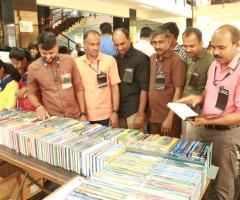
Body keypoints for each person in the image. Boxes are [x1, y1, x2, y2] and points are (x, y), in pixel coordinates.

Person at [178, 24, 240, 200]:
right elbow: (209, 93)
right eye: (213, 47)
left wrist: (205, 121)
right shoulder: (214, 66)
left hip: (225, 137)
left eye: (222, 47)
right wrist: (197, 99)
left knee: (223, 183)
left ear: (237, 45)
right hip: (204, 130)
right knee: (207, 175)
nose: (216, 52)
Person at [27, 31, 87, 121]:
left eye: (51, 53)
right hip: (53, 118)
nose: (47, 57)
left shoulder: (69, 60)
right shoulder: (33, 68)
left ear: (57, 48)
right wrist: (38, 106)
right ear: (39, 49)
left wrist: (83, 113)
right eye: (44, 53)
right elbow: (31, 93)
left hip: (75, 116)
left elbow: (78, 88)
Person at [75, 30, 120, 127]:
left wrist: (115, 112)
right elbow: (77, 90)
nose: (96, 47)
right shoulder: (77, 63)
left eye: (98, 44)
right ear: (84, 44)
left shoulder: (110, 60)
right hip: (86, 115)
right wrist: (82, 113)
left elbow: (115, 87)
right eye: (92, 44)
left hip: (106, 114)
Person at [148, 26, 186, 137]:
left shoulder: (177, 61)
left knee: (169, 151)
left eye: (160, 42)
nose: (157, 46)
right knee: (154, 149)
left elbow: (179, 92)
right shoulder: (152, 58)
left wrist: (170, 118)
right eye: (154, 43)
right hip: (153, 116)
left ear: (169, 41)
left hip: (169, 118)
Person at [113, 28, 150, 131]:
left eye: (122, 44)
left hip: (133, 112)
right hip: (119, 112)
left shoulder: (141, 58)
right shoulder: (114, 59)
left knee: (136, 145)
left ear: (129, 40)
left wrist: (141, 113)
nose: (120, 48)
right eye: (116, 45)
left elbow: (144, 88)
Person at [182, 27, 214, 140]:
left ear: (201, 43)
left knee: (194, 149)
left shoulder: (211, 62)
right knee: (186, 145)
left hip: (199, 115)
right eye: (185, 46)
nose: (188, 49)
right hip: (185, 111)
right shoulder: (190, 59)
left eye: (192, 46)